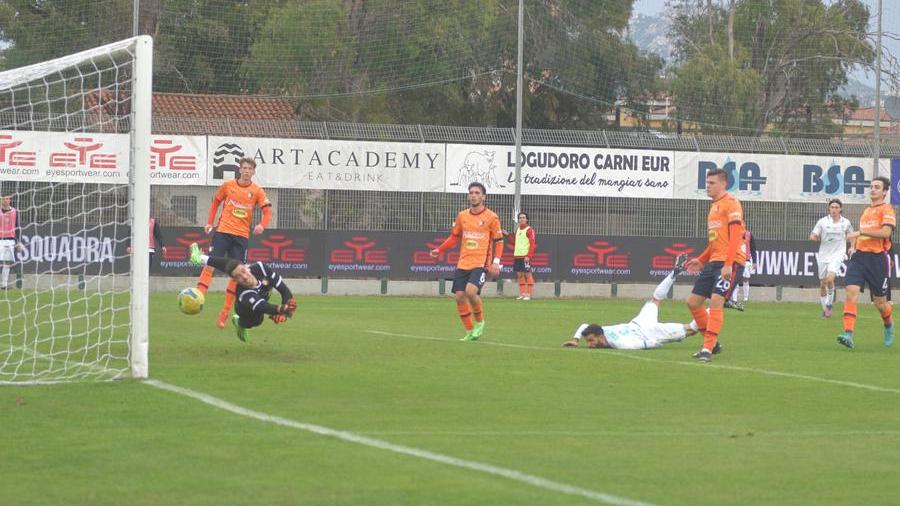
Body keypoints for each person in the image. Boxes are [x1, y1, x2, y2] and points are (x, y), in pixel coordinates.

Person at [561, 254, 709, 350]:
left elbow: (645, 344)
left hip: (649, 332)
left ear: (600, 336)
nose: (590, 345)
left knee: (691, 330)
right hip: (638, 322)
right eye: (588, 341)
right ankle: (674, 273)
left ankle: (712, 310)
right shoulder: (602, 330)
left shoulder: (620, 344)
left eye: (591, 341)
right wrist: (575, 339)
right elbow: (584, 326)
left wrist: (659, 340)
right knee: (655, 299)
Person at [196, 157, 272, 329]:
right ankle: (199, 296)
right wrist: (210, 222)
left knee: (238, 275)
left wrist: (261, 225)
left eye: (249, 169)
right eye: (244, 168)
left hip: (241, 237)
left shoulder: (257, 191)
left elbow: (267, 213)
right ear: (239, 169)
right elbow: (215, 202)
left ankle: (225, 313)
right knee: (210, 263)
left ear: (253, 172)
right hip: (223, 232)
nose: (246, 171)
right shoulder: (228, 186)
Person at [684, 168, 747, 362]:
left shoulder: (731, 203)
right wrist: (701, 259)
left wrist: (728, 264)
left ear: (723, 184)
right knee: (693, 302)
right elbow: (715, 242)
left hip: (731, 262)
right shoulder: (713, 208)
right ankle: (713, 343)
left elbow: (737, 235)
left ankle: (707, 348)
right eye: (707, 182)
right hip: (713, 262)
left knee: (716, 301)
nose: (707, 186)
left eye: (712, 183)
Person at [430, 182, 503, 341]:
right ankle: (470, 331)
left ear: (483, 196)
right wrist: (439, 249)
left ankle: (480, 322)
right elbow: (454, 237)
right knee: (459, 296)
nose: (473, 195)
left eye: (477, 192)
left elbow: (499, 241)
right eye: (471, 192)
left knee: (471, 292)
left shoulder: (492, 217)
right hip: (463, 263)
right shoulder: (462, 216)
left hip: (480, 263)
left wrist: (496, 262)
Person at [189, 243, 296, 342]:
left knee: (232, 264)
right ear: (235, 281)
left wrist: (284, 313)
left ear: (247, 268)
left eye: (244, 271)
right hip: (245, 310)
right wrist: (280, 310)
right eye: (238, 277)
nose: (244, 277)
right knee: (257, 321)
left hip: (261, 298)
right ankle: (240, 323)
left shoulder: (261, 268)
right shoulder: (245, 294)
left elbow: (285, 291)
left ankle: (200, 258)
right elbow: (262, 307)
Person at [837, 177, 895, 349]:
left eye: (877, 187)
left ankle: (888, 325)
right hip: (859, 257)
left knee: (880, 303)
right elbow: (860, 235)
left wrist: (859, 232)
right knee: (851, 291)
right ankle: (848, 334)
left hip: (877, 259)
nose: (873, 190)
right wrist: (853, 245)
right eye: (871, 187)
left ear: (884, 192)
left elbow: (885, 232)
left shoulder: (887, 209)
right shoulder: (866, 211)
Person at [809, 199, 854, 319]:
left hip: (838, 254)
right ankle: (825, 309)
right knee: (823, 284)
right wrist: (814, 237)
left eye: (836, 207)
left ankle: (829, 304)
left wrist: (852, 247)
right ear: (829, 209)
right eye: (832, 207)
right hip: (824, 255)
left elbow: (852, 235)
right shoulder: (822, 222)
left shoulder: (846, 222)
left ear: (840, 209)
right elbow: (814, 234)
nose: (834, 209)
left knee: (830, 278)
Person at [502, 212, 536, 300]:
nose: (521, 219)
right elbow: (515, 242)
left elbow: (532, 244)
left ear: (527, 219)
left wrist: (528, 256)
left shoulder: (529, 230)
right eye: (520, 218)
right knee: (520, 275)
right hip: (517, 256)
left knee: (528, 274)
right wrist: (507, 235)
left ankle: (528, 294)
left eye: (523, 217)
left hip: (525, 256)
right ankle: (523, 293)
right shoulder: (518, 230)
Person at [726, 229, 757, 311]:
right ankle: (734, 299)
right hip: (735, 260)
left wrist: (755, 261)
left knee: (745, 279)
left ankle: (746, 298)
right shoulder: (733, 233)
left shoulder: (748, 234)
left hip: (746, 260)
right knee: (735, 279)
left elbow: (753, 249)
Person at [0, 194, 23, 289]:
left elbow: (17, 227)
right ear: (2, 201)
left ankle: (4, 285)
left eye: (8, 199)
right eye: (4, 199)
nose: (6, 200)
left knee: (7, 263)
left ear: (10, 200)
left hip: (10, 240)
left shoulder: (15, 212)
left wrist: (18, 241)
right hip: (0, 239)